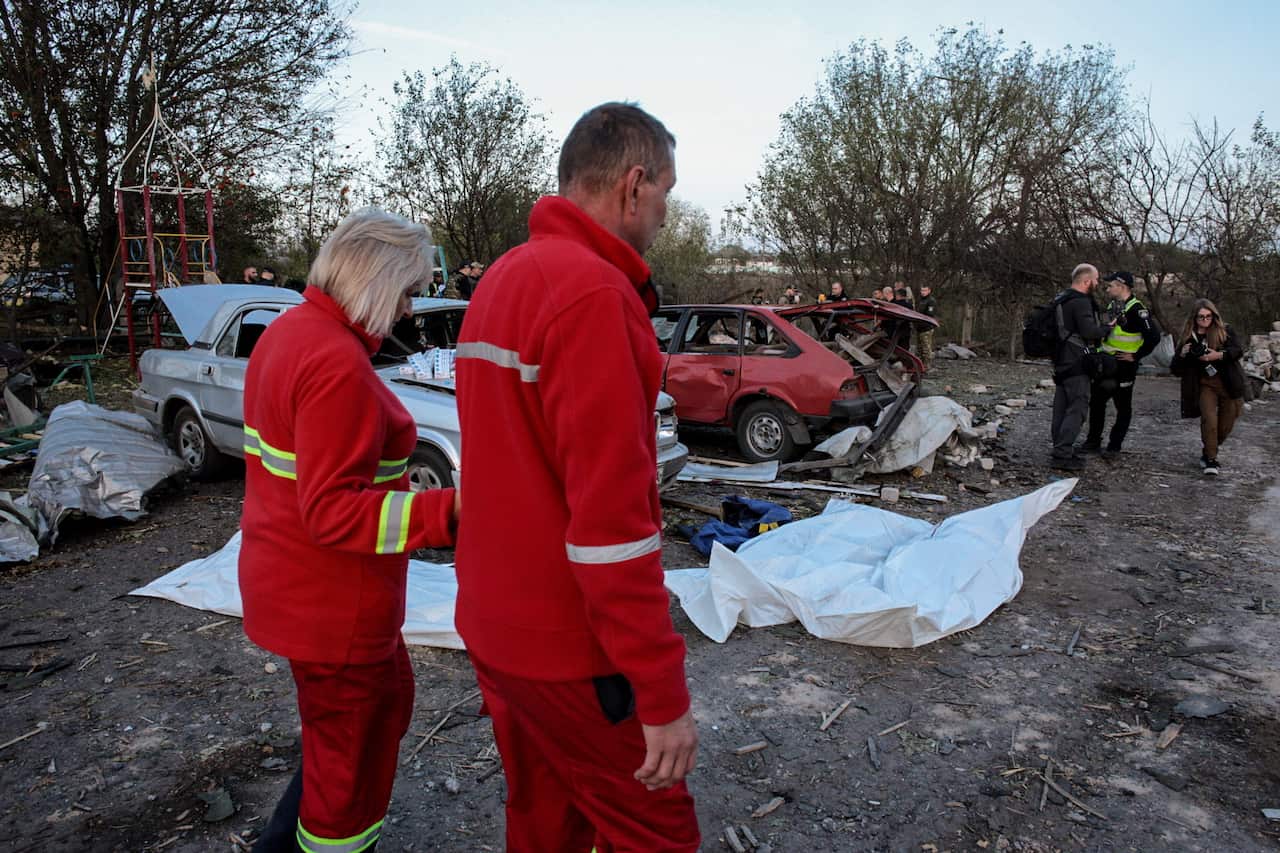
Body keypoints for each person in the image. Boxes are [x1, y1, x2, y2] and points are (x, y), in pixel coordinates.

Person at [454, 102, 699, 852]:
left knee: (546, 821)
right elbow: (611, 531)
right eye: (666, 191)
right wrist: (659, 693)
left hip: (498, 633)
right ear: (633, 186)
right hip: (571, 652)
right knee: (656, 831)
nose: (664, 210)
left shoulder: (501, 280)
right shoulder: (592, 297)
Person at [240, 208, 460, 852]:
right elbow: (333, 510)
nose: (409, 310)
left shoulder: (291, 333)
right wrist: (447, 512)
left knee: (370, 718)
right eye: (408, 291)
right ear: (376, 278)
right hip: (335, 608)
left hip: (301, 592)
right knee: (350, 772)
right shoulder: (335, 363)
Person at [1083, 271, 1160, 458]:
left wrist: (1136, 355)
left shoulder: (1137, 309)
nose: (1107, 288)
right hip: (1106, 363)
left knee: (1122, 406)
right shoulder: (1113, 306)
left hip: (1125, 367)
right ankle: (1093, 441)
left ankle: (1114, 446)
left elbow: (1154, 337)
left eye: (1110, 286)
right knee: (1097, 402)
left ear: (1121, 286)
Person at [1170, 298, 1245, 475]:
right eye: (1200, 317)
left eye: (1208, 316)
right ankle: (1211, 460)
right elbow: (1175, 369)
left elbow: (1237, 351)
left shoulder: (1224, 331)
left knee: (1226, 423)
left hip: (1227, 384)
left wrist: (1218, 355)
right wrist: (1182, 354)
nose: (1205, 320)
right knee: (1209, 419)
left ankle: (1208, 450)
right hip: (1204, 385)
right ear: (1194, 318)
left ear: (1214, 316)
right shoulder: (1188, 337)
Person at [1049, 263, 1112, 471]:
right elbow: (1088, 331)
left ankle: (1059, 448)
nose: (1097, 283)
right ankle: (1063, 452)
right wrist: (1105, 329)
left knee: (1061, 407)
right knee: (1077, 408)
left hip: (1060, 360)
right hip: (1076, 361)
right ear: (1086, 281)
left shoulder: (1061, 299)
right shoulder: (1081, 302)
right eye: (1095, 280)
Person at [915, 284, 938, 369]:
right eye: (922, 290)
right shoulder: (921, 300)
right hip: (920, 327)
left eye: (925, 290)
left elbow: (930, 314)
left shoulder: (931, 301)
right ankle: (921, 365)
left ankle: (927, 365)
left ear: (929, 291)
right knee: (920, 348)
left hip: (927, 327)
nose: (923, 292)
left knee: (926, 348)